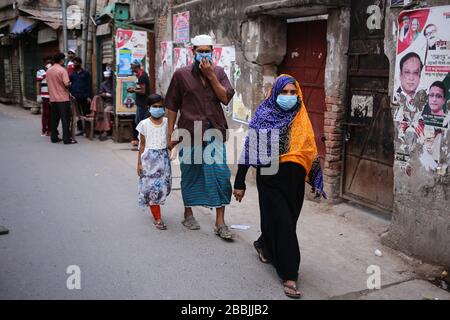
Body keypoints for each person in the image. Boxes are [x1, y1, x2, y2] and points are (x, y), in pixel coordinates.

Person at [233, 75, 321, 299]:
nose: (289, 97)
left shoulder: (300, 115)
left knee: (286, 221)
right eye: (284, 92)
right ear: (275, 93)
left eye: (293, 93)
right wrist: (240, 182)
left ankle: (263, 245)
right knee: (284, 224)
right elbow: (250, 148)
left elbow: (309, 148)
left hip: (294, 182)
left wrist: (314, 177)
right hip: (270, 178)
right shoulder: (264, 115)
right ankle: (290, 274)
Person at [165, 34, 235, 239]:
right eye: (200, 50)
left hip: (214, 131)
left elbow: (225, 98)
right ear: (192, 52)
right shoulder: (181, 75)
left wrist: (211, 76)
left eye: (208, 50)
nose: (204, 54)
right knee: (190, 173)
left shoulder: (220, 72)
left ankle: (220, 222)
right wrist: (170, 134)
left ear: (213, 51)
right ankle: (188, 213)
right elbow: (172, 105)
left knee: (221, 174)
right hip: (189, 132)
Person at [137, 94, 172, 230]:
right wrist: (139, 164)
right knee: (153, 190)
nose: (158, 109)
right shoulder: (143, 124)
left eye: (160, 107)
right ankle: (158, 219)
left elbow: (170, 142)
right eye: (155, 106)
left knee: (165, 188)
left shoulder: (168, 123)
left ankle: (156, 213)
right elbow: (142, 145)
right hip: (148, 161)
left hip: (163, 160)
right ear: (149, 108)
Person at [46, 52, 76, 145]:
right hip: (63, 99)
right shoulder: (62, 70)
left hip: (53, 99)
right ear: (61, 60)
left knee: (54, 120)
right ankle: (66, 139)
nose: (64, 61)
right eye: (63, 59)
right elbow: (67, 84)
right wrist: (71, 83)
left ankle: (54, 137)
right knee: (65, 120)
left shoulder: (49, 71)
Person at [127, 59, 150, 147]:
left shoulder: (142, 76)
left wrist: (133, 90)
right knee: (138, 121)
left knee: (141, 122)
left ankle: (143, 141)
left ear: (136, 66)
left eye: (131, 65)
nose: (130, 67)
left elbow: (143, 91)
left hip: (143, 103)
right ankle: (140, 140)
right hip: (141, 102)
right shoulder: (140, 75)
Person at [69, 57, 93, 136]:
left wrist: (89, 96)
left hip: (84, 96)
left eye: (76, 63)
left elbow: (89, 85)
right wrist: (71, 94)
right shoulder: (72, 74)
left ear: (80, 63)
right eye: (74, 63)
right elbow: (70, 85)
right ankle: (80, 129)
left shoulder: (86, 73)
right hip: (75, 97)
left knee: (86, 113)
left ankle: (87, 130)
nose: (75, 64)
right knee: (78, 113)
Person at [91, 70, 114, 141]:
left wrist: (107, 94)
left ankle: (106, 131)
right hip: (105, 102)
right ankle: (99, 129)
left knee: (105, 112)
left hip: (112, 103)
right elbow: (100, 92)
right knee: (99, 111)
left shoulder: (114, 84)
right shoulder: (103, 84)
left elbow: (114, 95)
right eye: (106, 78)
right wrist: (102, 94)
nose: (107, 79)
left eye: (108, 78)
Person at [36, 56, 53, 136]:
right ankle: (44, 129)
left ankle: (50, 129)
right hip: (45, 95)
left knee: (52, 113)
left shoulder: (53, 70)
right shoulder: (40, 71)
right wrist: (38, 95)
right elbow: (38, 83)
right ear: (45, 62)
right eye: (47, 62)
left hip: (53, 95)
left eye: (50, 62)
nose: (49, 63)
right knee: (45, 113)